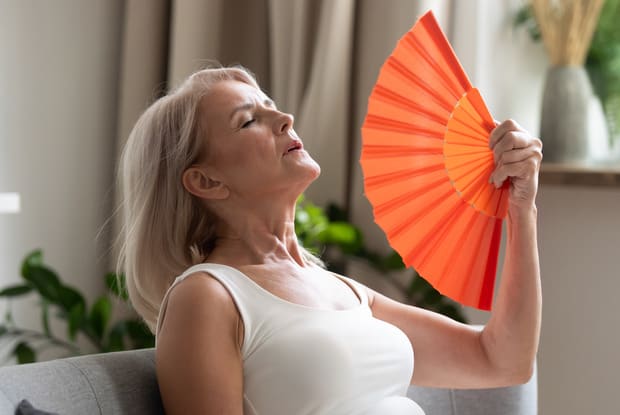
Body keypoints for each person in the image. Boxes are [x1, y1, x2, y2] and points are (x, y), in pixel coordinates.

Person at [117, 66, 542, 415]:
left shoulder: (340, 290)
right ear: (206, 181)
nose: (285, 119)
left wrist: (522, 209)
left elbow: (502, 360)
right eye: (249, 121)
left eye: (272, 107)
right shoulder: (208, 297)